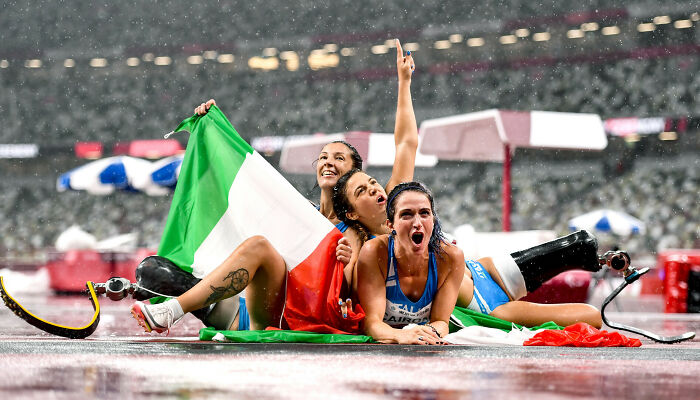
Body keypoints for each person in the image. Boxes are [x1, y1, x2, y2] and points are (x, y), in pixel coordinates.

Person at [131, 39, 418, 333]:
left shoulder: (364, 221)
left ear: (355, 173)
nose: (328, 162)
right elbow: (244, 199)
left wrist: (404, 84)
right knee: (152, 271)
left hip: (287, 319)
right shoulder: (298, 211)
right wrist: (213, 132)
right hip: (245, 308)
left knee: (259, 246)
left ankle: (172, 311)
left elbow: (406, 145)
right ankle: (174, 306)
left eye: (339, 158)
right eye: (323, 157)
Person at [332, 174, 604, 331]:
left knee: (574, 251)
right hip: (477, 292)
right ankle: (583, 249)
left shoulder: (403, 200)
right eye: (361, 191)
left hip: (481, 283)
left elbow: (406, 144)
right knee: (590, 312)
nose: (374, 189)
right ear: (350, 212)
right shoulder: (357, 238)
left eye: (372, 182)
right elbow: (346, 289)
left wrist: (404, 84)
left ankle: (588, 250)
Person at [356, 182, 465, 344]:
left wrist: (427, 334)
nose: (417, 223)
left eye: (424, 213)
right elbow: (371, 323)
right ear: (390, 225)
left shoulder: (451, 257)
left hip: (469, 290)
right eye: (407, 214)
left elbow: (441, 321)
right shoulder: (375, 252)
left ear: (433, 220)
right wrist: (402, 335)